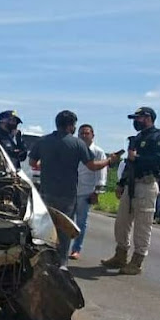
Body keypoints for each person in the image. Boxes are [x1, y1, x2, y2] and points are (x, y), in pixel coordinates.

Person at [29, 110, 118, 267]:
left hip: (46, 192)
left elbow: (32, 163)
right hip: (67, 194)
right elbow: (92, 166)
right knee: (64, 230)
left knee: (45, 226)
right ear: (71, 126)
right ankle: (61, 264)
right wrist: (109, 161)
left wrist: (49, 164)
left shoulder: (43, 141)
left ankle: (42, 260)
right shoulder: (77, 144)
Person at [101, 107, 160, 275]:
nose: (135, 122)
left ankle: (137, 261)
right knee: (122, 222)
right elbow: (129, 164)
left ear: (148, 118)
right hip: (131, 184)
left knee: (142, 225)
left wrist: (137, 158)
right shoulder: (137, 138)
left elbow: (159, 161)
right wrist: (121, 182)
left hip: (146, 185)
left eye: (138, 118)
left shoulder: (159, 137)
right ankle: (120, 255)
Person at [69, 124, 107, 260]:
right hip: (70, 190)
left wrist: (96, 192)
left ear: (92, 135)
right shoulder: (73, 149)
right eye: (81, 134)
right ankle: (62, 247)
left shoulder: (97, 152)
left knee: (81, 222)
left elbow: (101, 173)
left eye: (87, 133)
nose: (84, 136)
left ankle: (76, 249)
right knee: (66, 221)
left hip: (86, 191)